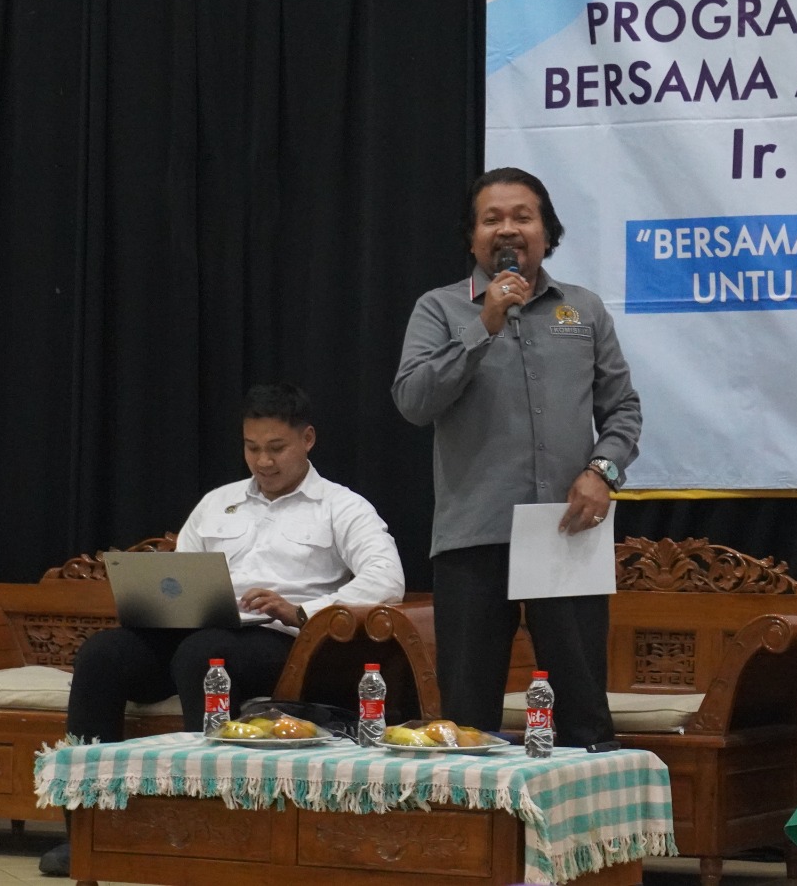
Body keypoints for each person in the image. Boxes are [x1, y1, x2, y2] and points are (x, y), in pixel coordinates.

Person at [41, 383, 404, 875]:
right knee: (102, 655)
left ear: (308, 439)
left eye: (276, 448)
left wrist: (301, 609)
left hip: (280, 642)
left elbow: (387, 579)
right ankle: (86, 831)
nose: (263, 461)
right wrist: (156, 601)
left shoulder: (341, 506)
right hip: (195, 630)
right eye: (252, 448)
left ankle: (212, 832)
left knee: (204, 655)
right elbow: (181, 575)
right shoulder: (218, 502)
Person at [392, 167, 641, 748]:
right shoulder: (439, 309)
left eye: (522, 217)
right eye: (492, 219)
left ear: (546, 232)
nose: (507, 229)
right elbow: (413, 401)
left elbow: (623, 409)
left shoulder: (584, 309)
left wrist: (601, 473)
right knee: (467, 718)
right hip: (473, 533)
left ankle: (587, 807)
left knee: (584, 715)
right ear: (472, 237)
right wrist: (484, 326)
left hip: (566, 531)